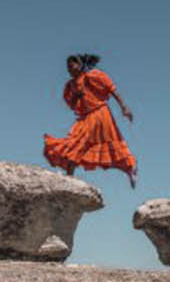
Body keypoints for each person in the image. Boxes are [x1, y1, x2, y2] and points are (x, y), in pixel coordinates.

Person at [42, 53, 138, 187]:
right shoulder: (70, 85)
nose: (69, 70)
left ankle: (129, 167)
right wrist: (76, 96)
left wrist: (124, 107)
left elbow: (111, 89)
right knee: (73, 144)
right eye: (68, 68)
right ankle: (69, 179)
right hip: (84, 118)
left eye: (72, 66)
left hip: (100, 114)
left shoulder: (91, 76)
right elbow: (71, 104)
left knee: (92, 145)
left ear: (80, 65)